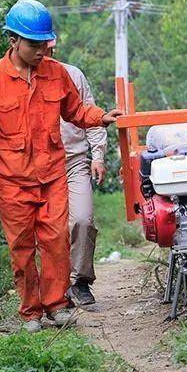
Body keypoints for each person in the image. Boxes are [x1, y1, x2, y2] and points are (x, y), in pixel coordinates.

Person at [0, 0, 123, 333]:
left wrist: (100, 117)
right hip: (11, 179)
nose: (42, 51)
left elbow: (76, 111)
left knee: (56, 240)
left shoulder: (56, 74)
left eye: (44, 44)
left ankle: (56, 305)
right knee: (22, 248)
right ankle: (31, 312)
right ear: (13, 40)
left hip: (52, 174)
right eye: (34, 45)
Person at [45, 38, 105, 306]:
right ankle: (55, 289)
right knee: (51, 229)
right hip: (40, 166)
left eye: (47, 46)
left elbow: (87, 113)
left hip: (74, 161)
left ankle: (80, 281)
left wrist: (98, 155)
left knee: (82, 219)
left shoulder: (72, 75)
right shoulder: (22, 81)